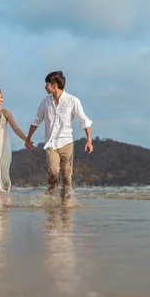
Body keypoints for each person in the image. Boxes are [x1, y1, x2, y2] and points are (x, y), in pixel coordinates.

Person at [25, 71, 93, 205]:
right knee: (54, 171)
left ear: (54, 85)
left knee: (67, 176)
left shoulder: (72, 101)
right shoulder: (45, 102)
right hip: (51, 144)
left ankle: (65, 203)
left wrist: (89, 140)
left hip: (67, 142)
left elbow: (84, 120)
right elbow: (36, 120)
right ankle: (51, 188)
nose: (45, 87)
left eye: (47, 84)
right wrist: (28, 138)